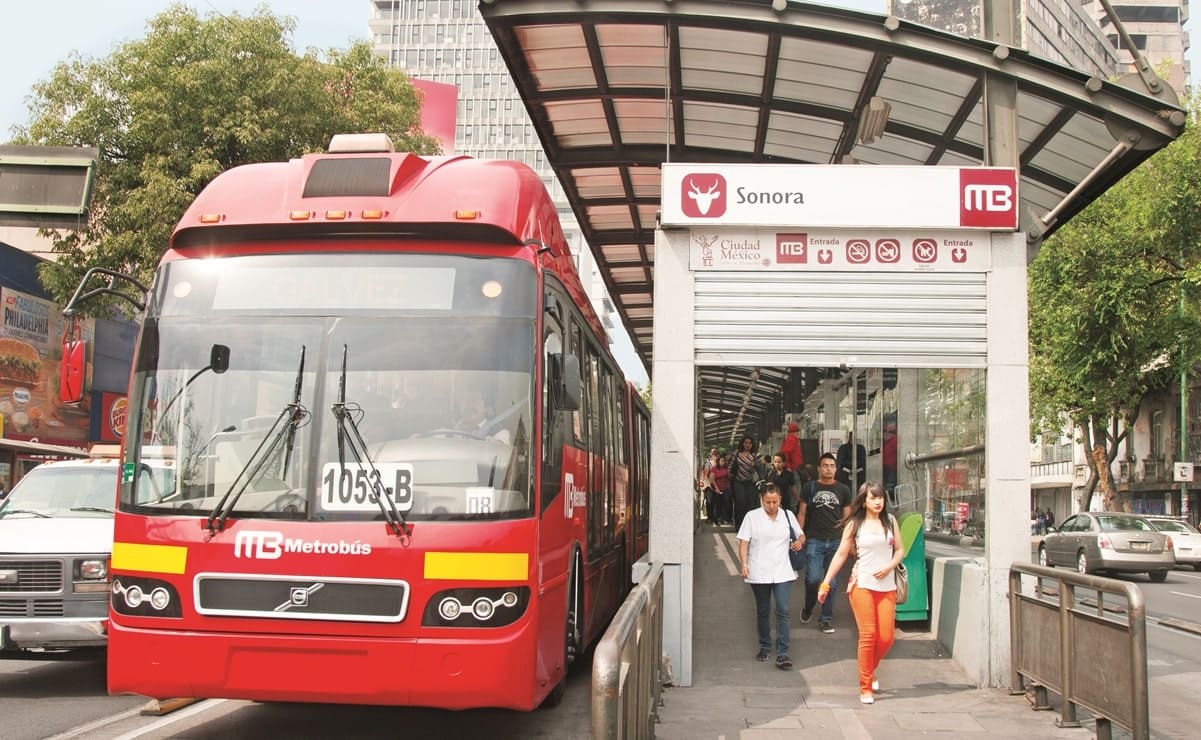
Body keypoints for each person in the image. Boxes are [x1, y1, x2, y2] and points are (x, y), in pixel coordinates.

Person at [817, 480, 904, 705]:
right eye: (873, 498)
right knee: (868, 636)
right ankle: (865, 686)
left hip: (887, 587)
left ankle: (869, 670)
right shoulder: (855, 524)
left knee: (886, 638)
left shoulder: (891, 521)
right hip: (862, 585)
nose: (878, 502)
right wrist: (825, 583)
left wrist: (889, 567)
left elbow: (900, 550)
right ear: (863, 501)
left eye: (881, 497)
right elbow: (840, 555)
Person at [737, 483, 805, 670]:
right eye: (768, 502)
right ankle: (765, 645)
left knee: (783, 609)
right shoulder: (752, 517)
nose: (772, 505)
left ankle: (783, 652)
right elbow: (743, 543)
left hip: (783, 571)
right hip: (758, 571)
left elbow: (801, 535)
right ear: (761, 500)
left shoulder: (788, 515)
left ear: (780, 500)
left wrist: (799, 542)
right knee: (763, 610)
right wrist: (744, 563)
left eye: (775, 501)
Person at [798, 452, 852, 634]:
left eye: (832, 466)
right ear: (819, 468)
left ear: (836, 469)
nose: (829, 469)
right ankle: (808, 606)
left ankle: (826, 618)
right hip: (814, 540)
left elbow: (848, 516)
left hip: (836, 541)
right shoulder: (809, 488)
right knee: (813, 579)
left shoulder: (843, 490)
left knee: (832, 583)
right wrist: (799, 534)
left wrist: (848, 538)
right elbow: (802, 513)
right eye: (825, 465)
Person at [729, 435, 762, 531]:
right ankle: (738, 525)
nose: (748, 445)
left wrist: (756, 464)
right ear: (742, 443)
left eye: (750, 443)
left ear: (752, 444)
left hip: (751, 483)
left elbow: (761, 469)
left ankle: (749, 526)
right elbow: (731, 466)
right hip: (738, 482)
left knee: (750, 505)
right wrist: (729, 474)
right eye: (746, 442)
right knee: (740, 503)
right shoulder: (737, 453)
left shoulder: (756, 455)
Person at [712, 455, 733, 525]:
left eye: (724, 461)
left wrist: (729, 473)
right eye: (721, 461)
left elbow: (730, 477)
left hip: (726, 488)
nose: (723, 462)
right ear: (718, 461)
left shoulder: (727, 468)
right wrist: (716, 488)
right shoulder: (714, 468)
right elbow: (712, 479)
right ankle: (717, 518)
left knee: (726, 504)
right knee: (718, 504)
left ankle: (725, 518)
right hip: (717, 488)